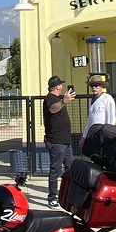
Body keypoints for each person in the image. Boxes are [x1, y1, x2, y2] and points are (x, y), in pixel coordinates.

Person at [43, 75, 75, 208]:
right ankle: (52, 197)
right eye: (60, 85)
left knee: (71, 168)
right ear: (57, 87)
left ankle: (70, 194)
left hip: (65, 141)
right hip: (56, 142)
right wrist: (64, 101)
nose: (62, 87)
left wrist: (64, 100)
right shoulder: (50, 99)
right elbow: (52, 109)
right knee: (55, 170)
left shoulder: (58, 99)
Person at [79, 75, 116, 148]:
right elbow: (90, 120)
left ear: (101, 87)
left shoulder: (107, 98)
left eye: (96, 86)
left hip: (103, 133)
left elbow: (111, 118)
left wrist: (109, 134)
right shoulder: (92, 100)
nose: (94, 88)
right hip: (93, 134)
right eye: (92, 86)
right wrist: (84, 136)